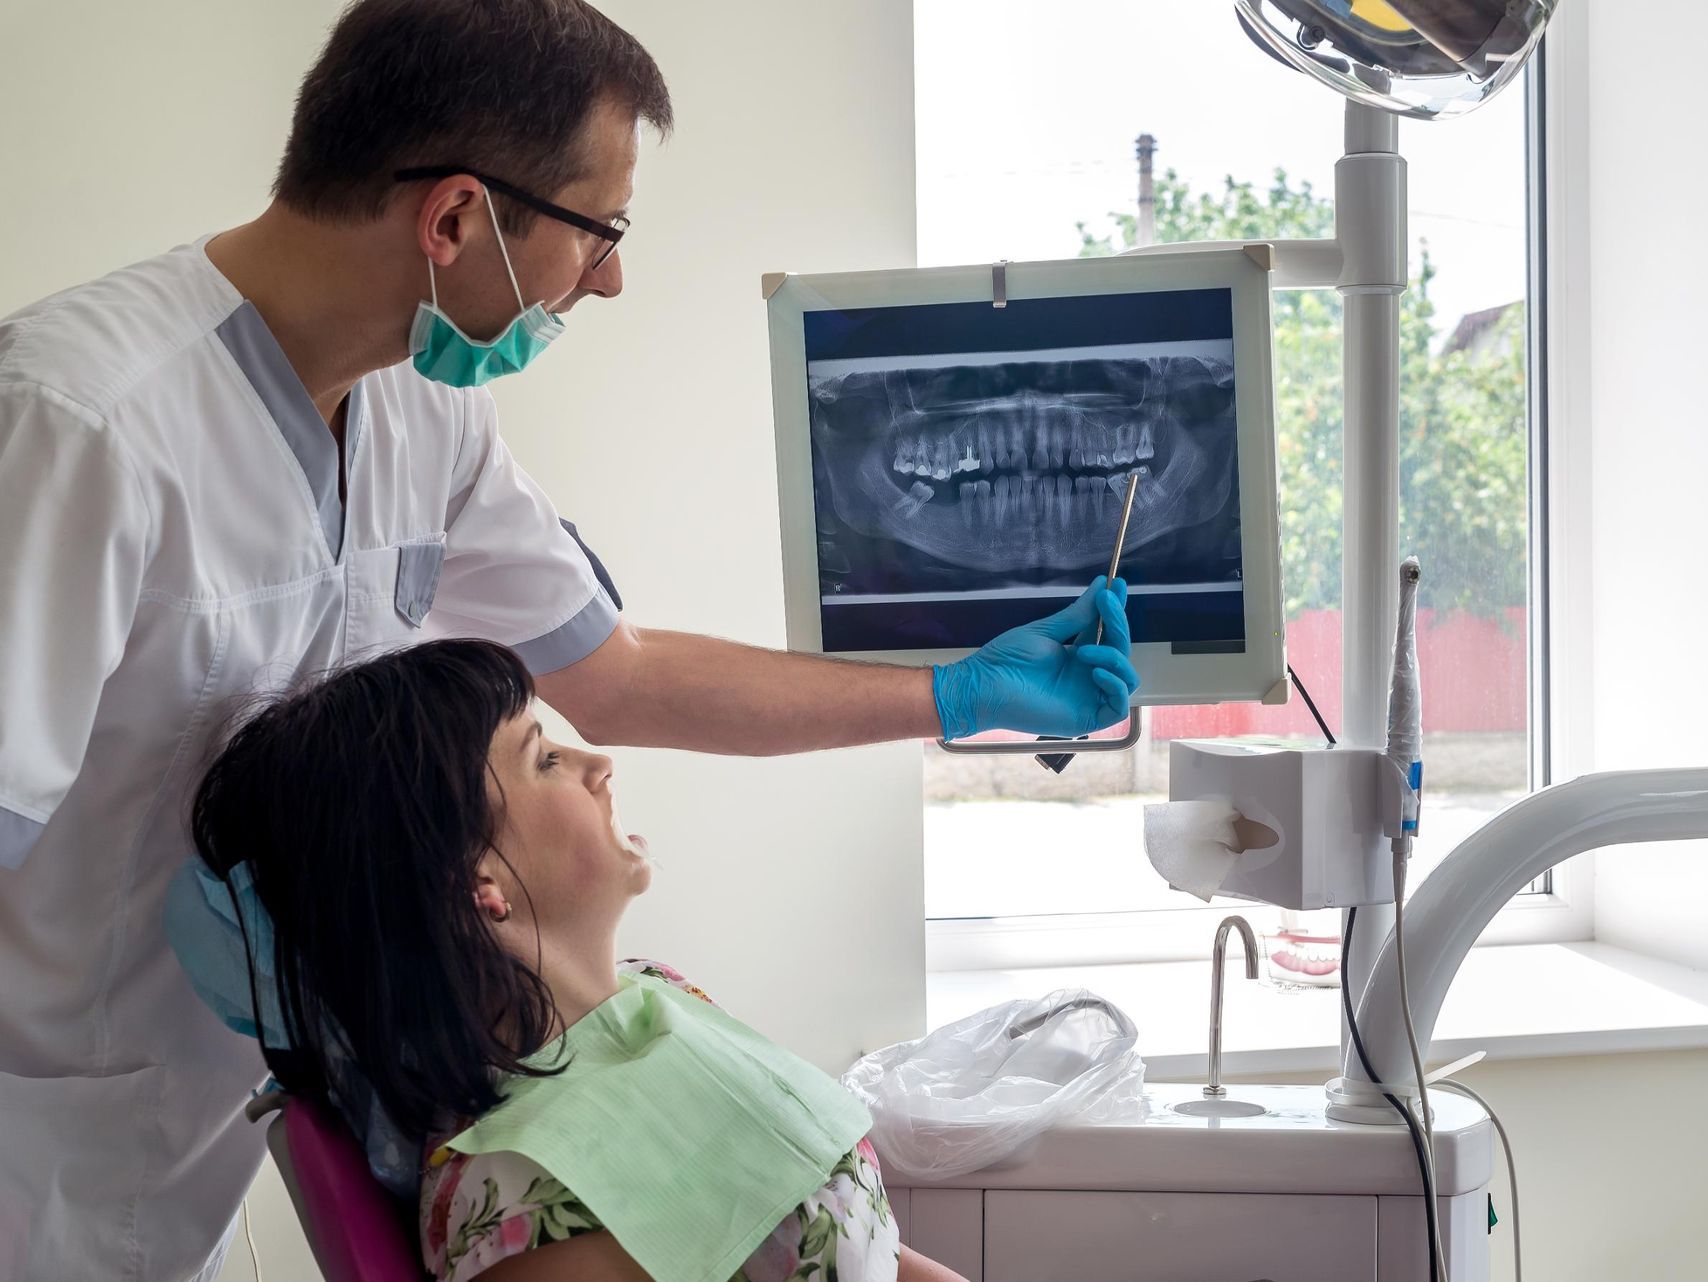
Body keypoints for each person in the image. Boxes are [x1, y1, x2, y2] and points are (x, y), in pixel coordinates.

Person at [0, 2, 1135, 1276]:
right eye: (600, 233)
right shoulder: (73, 424)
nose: (608, 279)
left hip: (206, 1141)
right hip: (36, 1146)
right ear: (454, 220)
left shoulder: (423, 422)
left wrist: (955, 693)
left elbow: (617, 675)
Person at [191, 639, 965, 1282]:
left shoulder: (656, 992)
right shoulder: (527, 1199)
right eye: (545, 761)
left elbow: (853, 1242)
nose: (598, 762)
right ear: (477, 885)